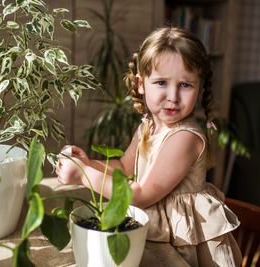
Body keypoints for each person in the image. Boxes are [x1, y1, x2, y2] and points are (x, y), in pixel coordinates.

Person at [55, 27, 242, 266]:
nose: (173, 96)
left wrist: (83, 175)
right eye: (162, 82)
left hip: (190, 249)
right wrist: (89, 164)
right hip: (159, 238)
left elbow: (140, 195)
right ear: (141, 84)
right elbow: (124, 166)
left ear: (200, 87)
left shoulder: (184, 138)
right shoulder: (148, 125)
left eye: (185, 85)